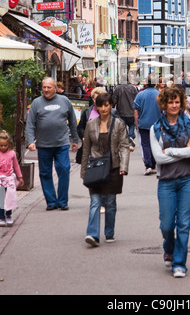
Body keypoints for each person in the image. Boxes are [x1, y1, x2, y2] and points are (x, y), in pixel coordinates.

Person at [150, 85, 190, 278]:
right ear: (164, 103)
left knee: (184, 224)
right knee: (167, 225)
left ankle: (179, 264)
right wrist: (182, 152)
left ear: (181, 103)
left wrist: (169, 151)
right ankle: (168, 247)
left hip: (188, 180)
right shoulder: (156, 127)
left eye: (177, 102)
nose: (173, 105)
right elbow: (158, 159)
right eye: (170, 102)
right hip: (166, 182)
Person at [80, 92, 130, 247]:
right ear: (96, 107)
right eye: (100, 105)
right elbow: (86, 149)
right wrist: (83, 171)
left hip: (113, 168)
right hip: (95, 168)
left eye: (106, 105)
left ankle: (109, 232)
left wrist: (123, 166)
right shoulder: (90, 125)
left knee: (110, 202)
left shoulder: (119, 124)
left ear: (111, 106)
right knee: (95, 202)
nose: (103, 108)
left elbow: (124, 146)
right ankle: (93, 234)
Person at [26, 77, 79, 211]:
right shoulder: (36, 103)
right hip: (44, 145)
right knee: (45, 173)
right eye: (44, 87)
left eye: (49, 87)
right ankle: (51, 201)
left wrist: (75, 140)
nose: (46, 90)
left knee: (64, 170)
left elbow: (73, 121)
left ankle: (62, 201)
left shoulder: (64, 101)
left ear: (55, 88)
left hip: (62, 143)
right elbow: (30, 124)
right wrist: (30, 141)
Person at [133, 74, 162, 175]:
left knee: (145, 144)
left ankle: (148, 166)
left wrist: (137, 124)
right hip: (157, 123)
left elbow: (136, 111)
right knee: (156, 144)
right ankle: (154, 164)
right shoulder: (159, 94)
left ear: (146, 83)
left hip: (144, 123)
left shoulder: (140, 95)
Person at [0, 130, 24, 226]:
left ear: (9, 144)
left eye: (5, 145)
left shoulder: (12, 154)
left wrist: (20, 177)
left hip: (9, 179)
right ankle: (1, 217)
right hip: (0, 180)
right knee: (1, 199)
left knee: (9, 198)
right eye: (1, 145)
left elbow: (16, 166)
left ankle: (8, 215)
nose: (3, 147)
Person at [112, 74, 138, 151]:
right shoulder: (133, 88)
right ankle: (130, 139)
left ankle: (123, 141)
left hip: (121, 112)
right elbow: (136, 100)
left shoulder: (118, 88)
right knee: (131, 126)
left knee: (122, 128)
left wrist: (112, 108)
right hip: (131, 112)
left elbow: (114, 100)